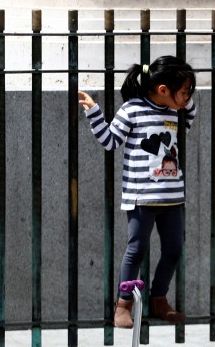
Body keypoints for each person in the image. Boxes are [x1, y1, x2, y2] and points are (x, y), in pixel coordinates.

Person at [78, 55, 197, 328]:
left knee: (174, 249)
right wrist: (94, 112)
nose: (187, 97)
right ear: (163, 90)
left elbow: (190, 110)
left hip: (172, 197)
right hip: (141, 195)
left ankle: (159, 299)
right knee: (137, 248)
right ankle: (124, 304)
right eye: (184, 91)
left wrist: (183, 89)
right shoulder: (132, 110)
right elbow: (110, 142)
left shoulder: (175, 112)